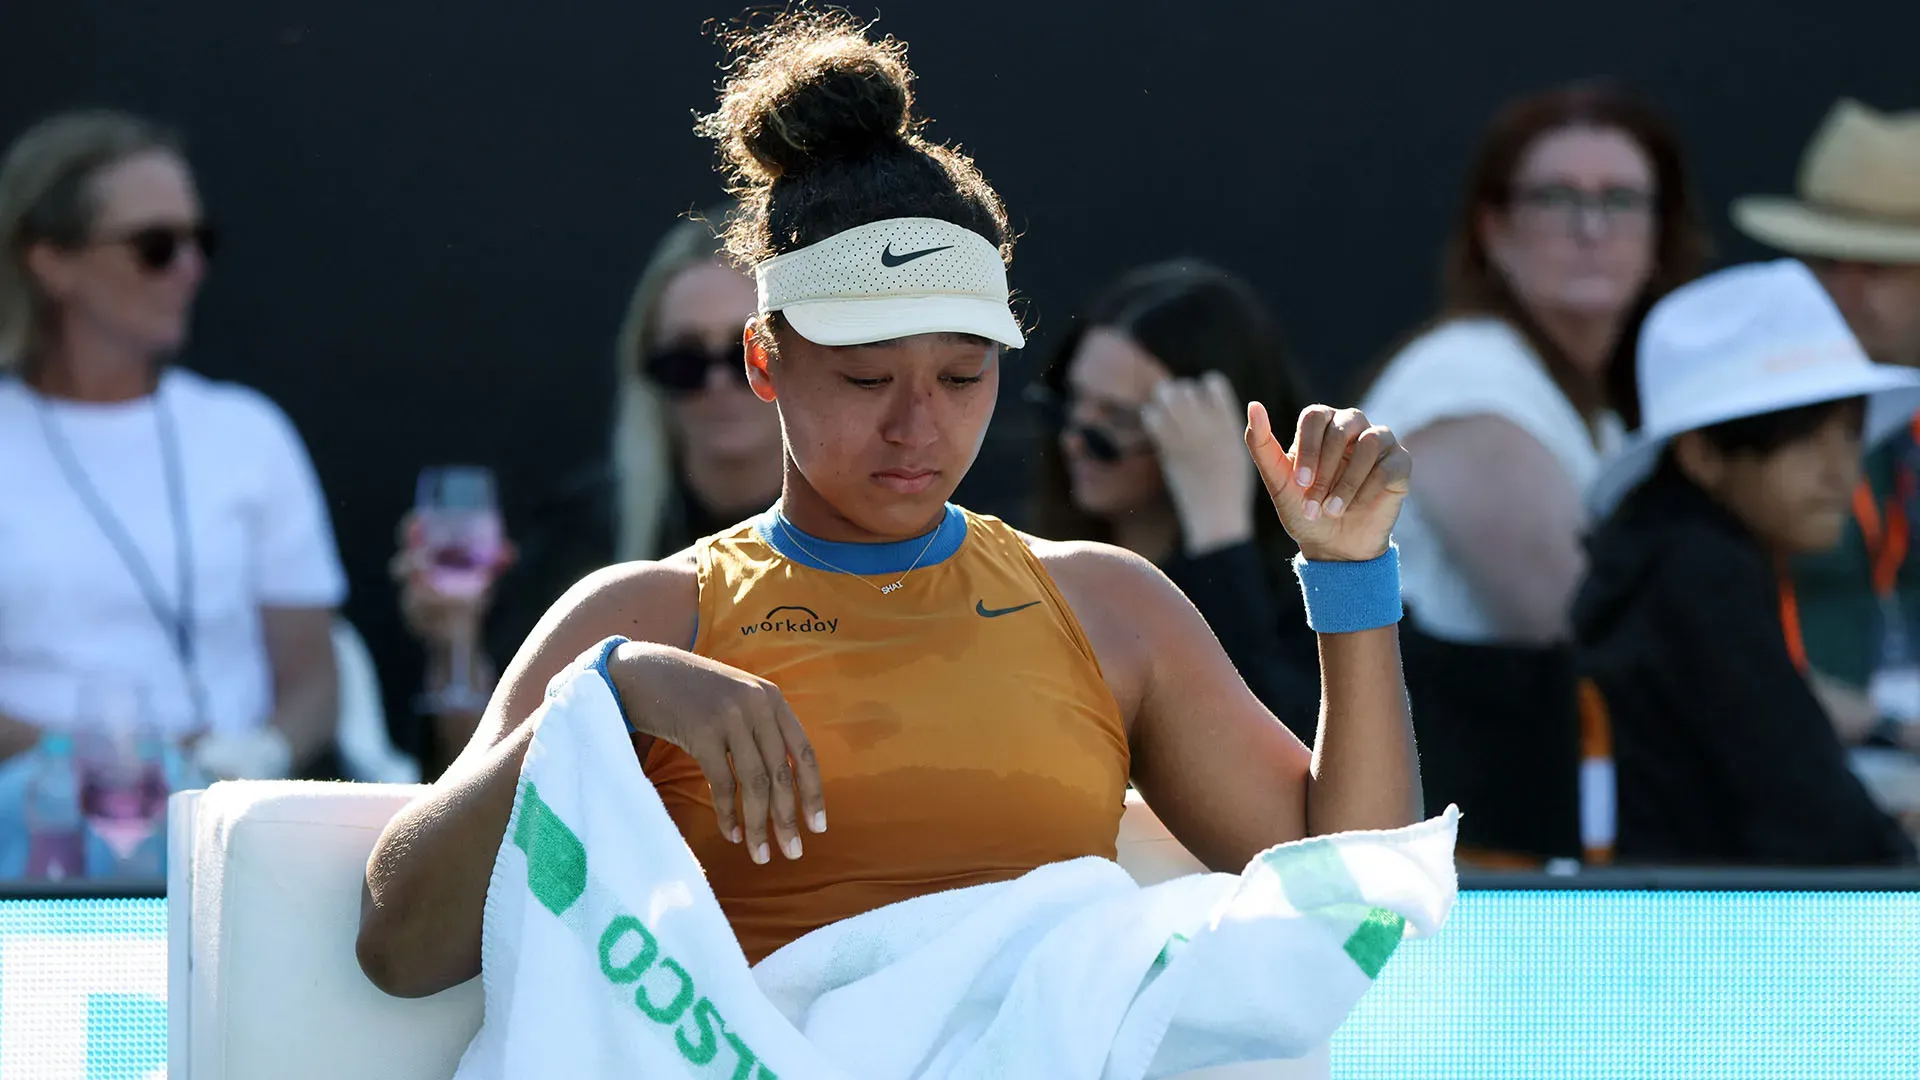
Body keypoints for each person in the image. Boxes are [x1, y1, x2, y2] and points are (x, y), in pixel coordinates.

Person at [357, 10, 1420, 995]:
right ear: (765, 362)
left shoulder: (1110, 608)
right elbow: (402, 948)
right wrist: (603, 698)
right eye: (867, 380)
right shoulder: (640, 624)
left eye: (963, 378)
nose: (918, 426)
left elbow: (1360, 902)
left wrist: (1351, 574)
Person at [1357, 83, 1707, 860]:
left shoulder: (1598, 405)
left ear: (1660, 231)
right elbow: (1591, 624)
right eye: (1555, 199)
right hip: (1459, 864)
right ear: (1495, 229)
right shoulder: (1465, 382)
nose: (1590, 227)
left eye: (1620, 199)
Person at [0, 111, 345, 782]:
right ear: (52, 263)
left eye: (200, 242)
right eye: (156, 246)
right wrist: (113, 766)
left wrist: (257, 755)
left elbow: (313, 678)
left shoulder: (249, 432)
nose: (189, 269)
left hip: (223, 827)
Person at [395, 208, 783, 772]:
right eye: (685, 362)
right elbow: (484, 775)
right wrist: (455, 639)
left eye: (747, 354)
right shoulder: (585, 530)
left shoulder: (866, 531)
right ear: (649, 374)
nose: (721, 384)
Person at [1574, 259, 1919, 865]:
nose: (1842, 470)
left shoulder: (1665, 558)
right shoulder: (1699, 576)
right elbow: (1818, 825)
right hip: (1703, 941)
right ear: (1703, 455)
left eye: (1848, 433)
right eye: (1804, 437)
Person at [1032, 260, 1318, 738]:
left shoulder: (1303, 598)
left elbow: (1275, 748)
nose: (1073, 441)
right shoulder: (1038, 567)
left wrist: (1219, 527)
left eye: (1117, 418)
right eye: (1074, 402)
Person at [1735, 101, 1920, 759]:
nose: (1844, 289)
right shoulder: (1737, 422)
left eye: (1878, 267)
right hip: (1792, 763)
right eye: (1825, 261)